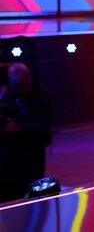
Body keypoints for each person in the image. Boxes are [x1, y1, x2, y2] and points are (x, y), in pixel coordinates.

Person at [0, 63, 52, 201]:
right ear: (10, 82)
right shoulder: (5, 99)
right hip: (8, 164)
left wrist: (19, 129)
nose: (24, 86)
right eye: (19, 84)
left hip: (31, 161)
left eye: (25, 81)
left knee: (32, 197)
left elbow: (44, 130)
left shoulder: (38, 97)